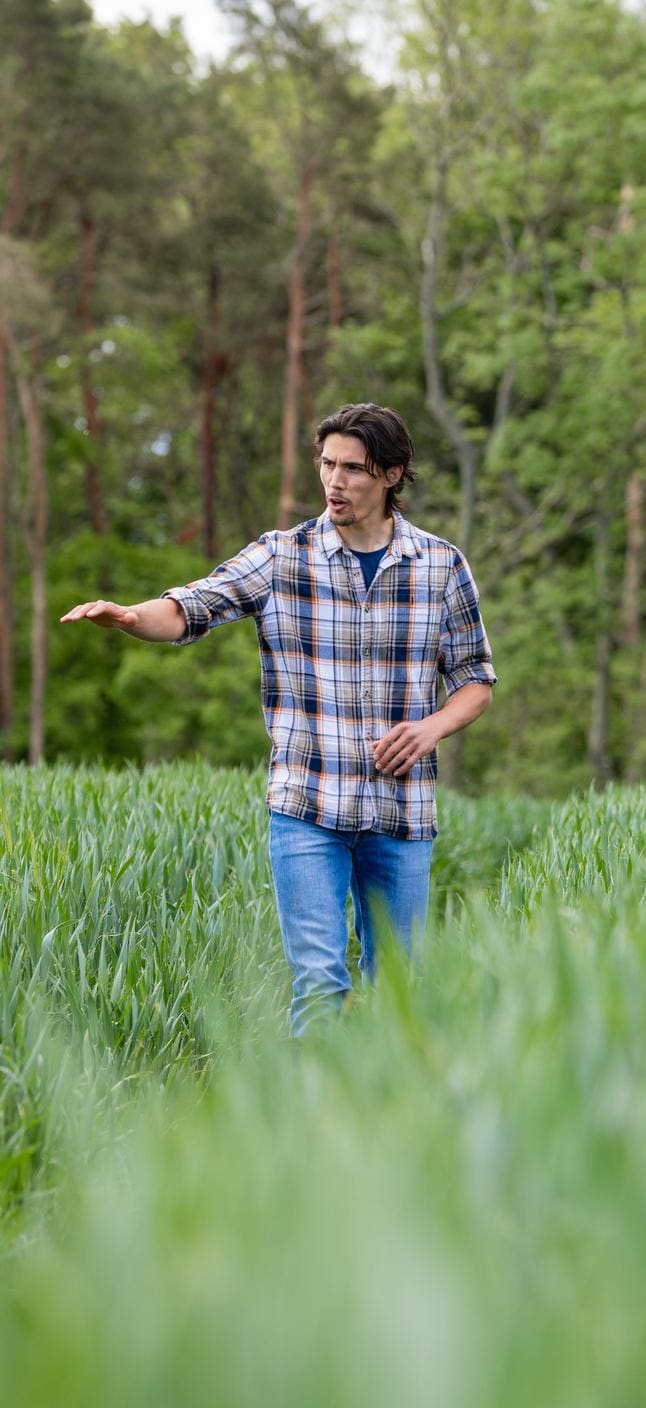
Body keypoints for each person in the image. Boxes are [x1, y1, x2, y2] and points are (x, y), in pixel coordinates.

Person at [61, 403, 495, 1033]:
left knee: (402, 994)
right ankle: (306, 1127)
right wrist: (131, 617)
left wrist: (432, 729)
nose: (334, 481)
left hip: (401, 813)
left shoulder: (440, 565)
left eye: (353, 468)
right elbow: (192, 607)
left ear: (393, 474)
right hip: (306, 807)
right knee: (319, 984)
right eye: (327, 464)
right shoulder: (280, 556)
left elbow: (475, 680)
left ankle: (395, 1123)